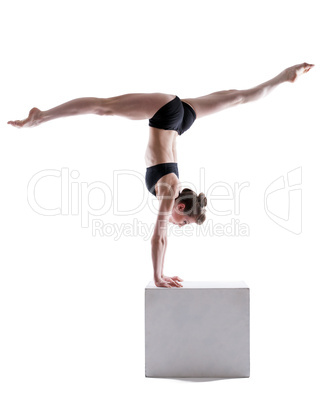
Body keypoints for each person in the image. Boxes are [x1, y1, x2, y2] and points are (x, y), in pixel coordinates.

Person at [8, 62, 314, 287]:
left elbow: (165, 231)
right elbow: (159, 237)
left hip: (180, 119)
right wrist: (158, 276)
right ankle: (41, 117)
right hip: (165, 112)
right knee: (103, 108)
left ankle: (284, 77)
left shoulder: (175, 187)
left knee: (238, 97)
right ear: (180, 207)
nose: (178, 225)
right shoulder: (169, 192)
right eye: (184, 222)